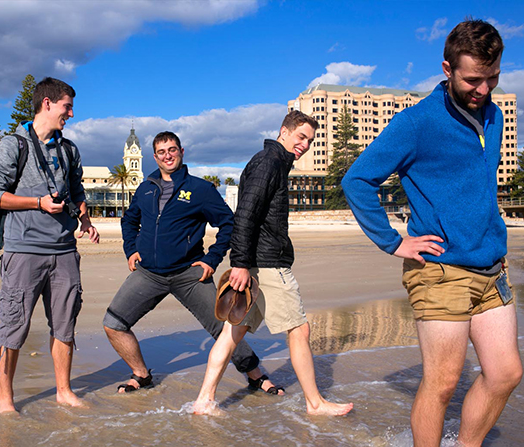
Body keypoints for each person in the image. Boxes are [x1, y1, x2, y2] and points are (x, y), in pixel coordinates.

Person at [342, 19, 521, 446]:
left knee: (507, 373)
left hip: (492, 267)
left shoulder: (494, 115)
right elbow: (357, 180)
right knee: (442, 384)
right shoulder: (417, 122)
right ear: (447, 68)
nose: (484, 89)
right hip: (440, 270)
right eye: (473, 79)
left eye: (493, 77)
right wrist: (394, 241)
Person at [193, 112, 353, 416]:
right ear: (284, 131)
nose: (305, 145)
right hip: (266, 263)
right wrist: (239, 263)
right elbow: (246, 213)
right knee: (299, 329)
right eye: (301, 137)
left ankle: (204, 400)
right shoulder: (270, 162)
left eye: (310, 140)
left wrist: (243, 262)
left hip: (256, 262)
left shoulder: (272, 161)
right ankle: (315, 403)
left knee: (232, 332)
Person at [103, 131, 282, 395]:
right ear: (155, 157)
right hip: (149, 274)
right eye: (162, 152)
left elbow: (228, 224)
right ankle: (141, 374)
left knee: (224, 328)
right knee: (113, 323)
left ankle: (256, 375)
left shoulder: (200, 189)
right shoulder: (146, 187)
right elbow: (129, 220)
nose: (168, 156)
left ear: (181, 151)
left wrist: (211, 259)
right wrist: (131, 250)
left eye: (172, 150)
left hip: (189, 274)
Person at [0, 77, 100, 414]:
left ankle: (63, 391)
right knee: (13, 325)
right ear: (47, 104)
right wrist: (37, 202)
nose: (72, 114)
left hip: (64, 251)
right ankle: (6, 400)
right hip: (23, 250)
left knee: (65, 324)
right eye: (67, 106)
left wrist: (85, 221)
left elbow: (76, 191)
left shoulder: (69, 149)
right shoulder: (13, 145)